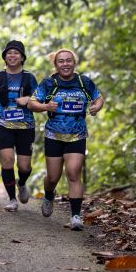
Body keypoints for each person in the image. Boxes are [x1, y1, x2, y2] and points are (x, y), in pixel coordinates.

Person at [28, 48, 104, 230]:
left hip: (77, 134)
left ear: (74, 63)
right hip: (53, 135)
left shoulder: (84, 82)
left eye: (68, 60)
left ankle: (76, 216)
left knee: (73, 173)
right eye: (61, 61)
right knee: (53, 177)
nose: (65, 64)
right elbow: (31, 103)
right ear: (56, 64)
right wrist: (46, 107)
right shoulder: (49, 83)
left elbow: (99, 98)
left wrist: (96, 107)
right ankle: (49, 194)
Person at [0, 40, 38, 211]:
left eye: (16, 53)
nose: (12, 56)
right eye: (9, 53)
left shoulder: (29, 78)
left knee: (24, 166)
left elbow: (39, 98)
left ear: (22, 57)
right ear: (4, 57)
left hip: (26, 126)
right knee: (7, 159)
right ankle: (12, 199)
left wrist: (28, 99)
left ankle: (21, 183)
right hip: (3, 124)